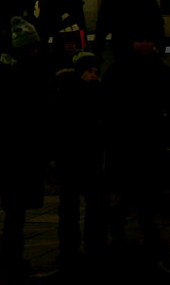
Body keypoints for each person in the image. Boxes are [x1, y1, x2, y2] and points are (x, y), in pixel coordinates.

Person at [102, 18, 170, 271]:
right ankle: (150, 239)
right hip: (127, 139)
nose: (144, 45)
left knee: (142, 189)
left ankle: (121, 220)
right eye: (139, 40)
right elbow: (108, 106)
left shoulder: (158, 68)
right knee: (141, 189)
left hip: (150, 136)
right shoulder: (120, 69)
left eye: (147, 40)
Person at [0, 17, 52, 281]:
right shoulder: (9, 75)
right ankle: (10, 259)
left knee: (16, 210)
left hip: (21, 151)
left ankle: (12, 257)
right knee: (15, 210)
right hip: (15, 151)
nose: (35, 51)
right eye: (31, 47)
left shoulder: (28, 71)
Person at [54, 51, 109, 273]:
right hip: (72, 160)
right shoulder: (68, 93)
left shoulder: (99, 93)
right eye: (89, 71)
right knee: (70, 208)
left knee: (94, 205)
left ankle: (93, 245)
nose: (93, 75)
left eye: (96, 71)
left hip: (91, 159)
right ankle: (70, 249)